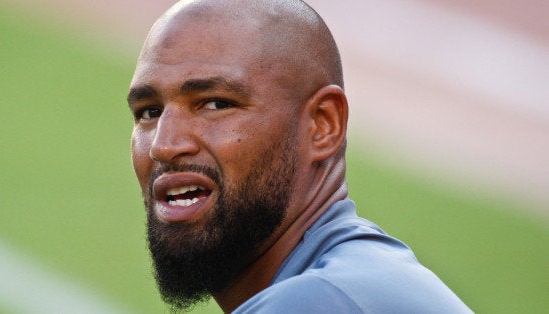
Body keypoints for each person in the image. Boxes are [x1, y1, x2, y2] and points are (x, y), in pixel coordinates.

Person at [127, 0, 471, 312]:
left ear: (323, 125)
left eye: (216, 104)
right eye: (149, 111)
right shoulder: (355, 279)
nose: (164, 145)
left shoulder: (320, 301)